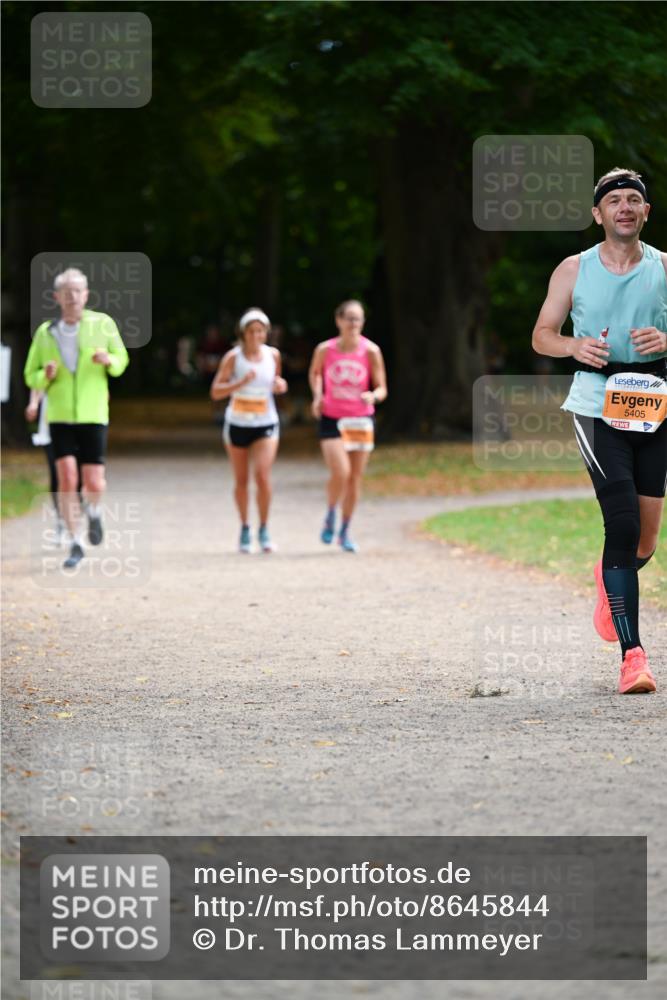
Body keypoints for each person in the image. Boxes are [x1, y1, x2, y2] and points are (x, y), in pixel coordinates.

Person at [532, 168, 666, 694]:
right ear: (598, 214)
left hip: (654, 404)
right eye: (615, 201)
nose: (625, 208)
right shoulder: (573, 269)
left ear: (646, 212)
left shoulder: (663, 268)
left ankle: (608, 576)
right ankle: (633, 656)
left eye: (635, 200)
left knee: (647, 537)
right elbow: (543, 335)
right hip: (595, 403)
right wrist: (573, 347)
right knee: (624, 524)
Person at [24, 268, 130, 569]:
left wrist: (109, 360)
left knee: (94, 482)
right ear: (57, 297)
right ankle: (75, 542)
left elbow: (122, 361)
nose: (72, 297)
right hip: (59, 416)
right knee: (67, 478)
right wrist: (43, 376)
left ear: (86, 295)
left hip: (93, 413)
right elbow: (29, 374)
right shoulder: (46, 332)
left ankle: (94, 513)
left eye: (78, 291)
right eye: (66, 292)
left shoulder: (103, 324)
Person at [309, 299, 388, 553]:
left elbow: (382, 387)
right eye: (349, 318)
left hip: (360, 419)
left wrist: (373, 396)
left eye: (358, 319)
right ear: (339, 320)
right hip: (333, 418)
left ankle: (345, 529)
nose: (353, 323)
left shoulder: (371, 351)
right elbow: (315, 373)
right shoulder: (325, 349)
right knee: (340, 472)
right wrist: (318, 395)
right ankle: (331, 511)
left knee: (354, 478)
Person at [210, 308, 287, 553]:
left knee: (262, 476)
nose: (256, 335)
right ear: (243, 334)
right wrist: (239, 383)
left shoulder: (273, 355)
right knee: (241, 480)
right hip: (238, 424)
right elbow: (215, 392)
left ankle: (263, 528)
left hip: (265, 422)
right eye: (251, 331)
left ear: (266, 333)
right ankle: (245, 528)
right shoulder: (233, 358)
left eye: (260, 331)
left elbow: (276, 383)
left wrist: (280, 386)